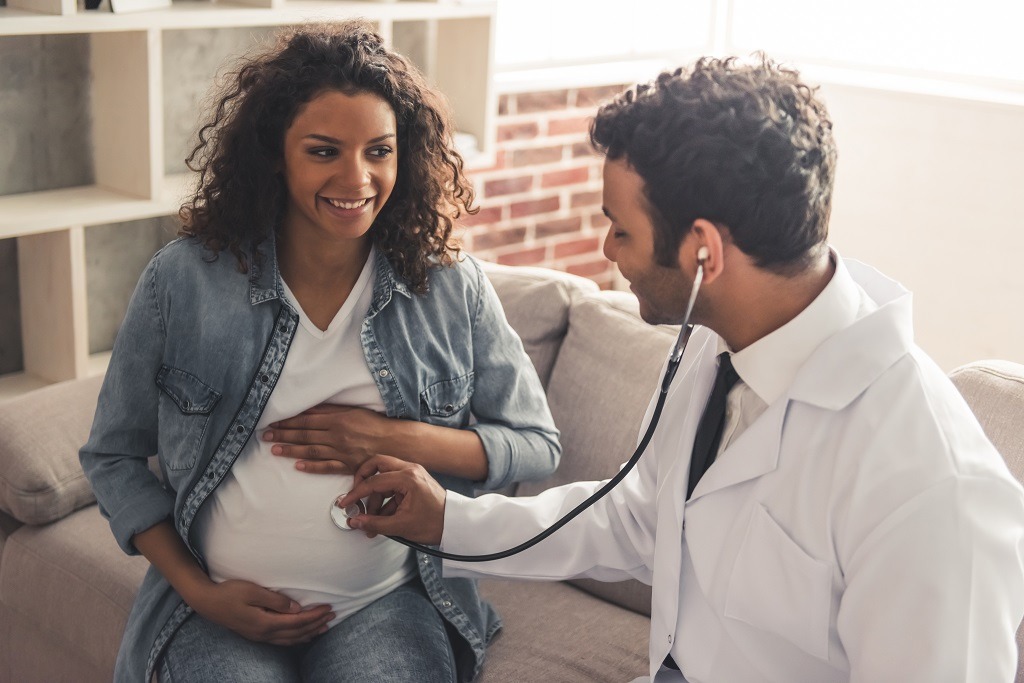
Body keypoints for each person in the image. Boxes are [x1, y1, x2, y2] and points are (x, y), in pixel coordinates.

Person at [336, 56, 1024, 682]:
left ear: (703, 254)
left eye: (621, 228)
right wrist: (448, 521)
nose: (608, 249)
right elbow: (641, 520)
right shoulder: (715, 345)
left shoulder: (932, 489)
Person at [79, 21, 560, 683]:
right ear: (276, 153)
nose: (356, 178)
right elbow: (111, 453)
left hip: (387, 602)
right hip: (220, 606)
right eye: (325, 151)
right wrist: (199, 590)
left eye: (379, 151)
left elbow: (535, 442)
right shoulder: (184, 279)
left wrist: (396, 438)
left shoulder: (449, 286)